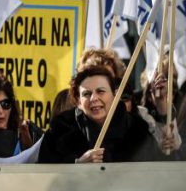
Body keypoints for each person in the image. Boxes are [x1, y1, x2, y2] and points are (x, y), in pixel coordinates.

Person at [38, 65, 178, 163]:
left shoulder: (137, 130)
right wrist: (77, 165)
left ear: (114, 96)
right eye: (86, 94)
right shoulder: (59, 131)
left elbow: (158, 174)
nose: (94, 98)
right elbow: (45, 175)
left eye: (101, 91)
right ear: (78, 101)